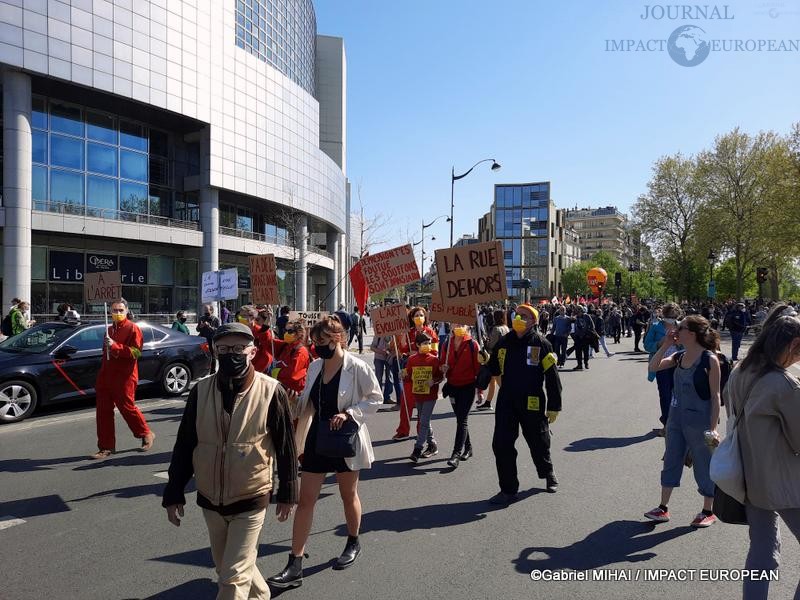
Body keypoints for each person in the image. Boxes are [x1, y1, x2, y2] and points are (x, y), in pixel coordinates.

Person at [162, 322, 298, 600]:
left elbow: (286, 447)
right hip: (211, 500)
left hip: (251, 497)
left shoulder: (272, 391)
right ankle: (261, 596)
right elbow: (186, 444)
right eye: (224, 349)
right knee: (226, 567)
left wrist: (288, 491)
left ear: (252, 351)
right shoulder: (200, 392)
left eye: (238, 348)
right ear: (214, 351)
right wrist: (173, 491)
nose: (231, 354)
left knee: (233, 578)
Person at [268, 315, 382, 588]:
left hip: (344, 438)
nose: (317, 346)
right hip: (317, 437)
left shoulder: (357, 367)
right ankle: (295, 562)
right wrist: (294, 403)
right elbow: (309, 400)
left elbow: (375, 398)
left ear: (338, 338)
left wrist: (350, 413)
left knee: (347, 494)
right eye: (315, 341)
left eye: (323, 341)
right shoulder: (315, 366)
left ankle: (353, 541)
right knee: (305, 500)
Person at [725, 311, 800, 599]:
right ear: (792, 344)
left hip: (751, 477)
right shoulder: (784, 384)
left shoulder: (741, 370)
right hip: (786, 480)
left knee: (762, 550)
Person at [478, 304, 562, 505]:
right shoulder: (504, 342)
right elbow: (494, 368)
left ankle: (547, 472)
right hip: (507, 399)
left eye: (524, 316)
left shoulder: (542, 344)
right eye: (517, 315)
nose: (518, 318)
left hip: (532, 400)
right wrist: (485, 361)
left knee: (538, 441)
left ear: (533, 321)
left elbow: (552, 377)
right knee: (501, 444)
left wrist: (554, 405)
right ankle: (508, 489)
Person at [645, 315, 721, 528]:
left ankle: (708, 510)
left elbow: (715, 397)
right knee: (671, 459)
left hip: (701, 422)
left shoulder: (709, 360)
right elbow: (653, 367)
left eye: (681, 327)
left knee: (704, 465)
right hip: (676, 419)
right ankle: (663, 508)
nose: (676, 329)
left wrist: (713, 429)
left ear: (693, 333)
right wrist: (667, 344)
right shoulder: (679, 356)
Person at [91, 298, 154, 459]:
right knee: (103, 412)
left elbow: (137, 353)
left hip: (125, 376)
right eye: (114, 310)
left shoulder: (133, 328)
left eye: (120, 310)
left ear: (126, 311)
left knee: (127, 407)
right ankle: (106, 447)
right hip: (106, 376)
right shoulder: (109, 329)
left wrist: (115, 346)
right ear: (110, 312)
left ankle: (145, 432)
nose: (117, 313)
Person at [393, 306, 438, 441]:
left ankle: (421, 432)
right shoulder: (408, 333)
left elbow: (435, 353)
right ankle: (403, 431)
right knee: (406, 403)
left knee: (422, 407)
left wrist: (419, 353)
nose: (419, 317)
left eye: (421, 315)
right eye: (416, 315)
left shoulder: (431, 333)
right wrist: (402, 344)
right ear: (412, 318)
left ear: (425, 317)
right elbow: (403, 352)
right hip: (410, 373)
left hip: (425, 374)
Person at [440, 323, 480, 468]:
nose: (458, 326)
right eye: (455, 324)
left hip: (468, 387)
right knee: (460, 419)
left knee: (462, 419)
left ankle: (456, 454)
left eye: (462, 324)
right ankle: (468, 448)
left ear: (467, 326)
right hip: (453, 387)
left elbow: (478, 369)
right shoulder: (446, 344)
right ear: (450, 326)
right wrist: (443, 367)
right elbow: (442, 363)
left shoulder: (473, 345)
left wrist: (479, 392)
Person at [643, 302, 682, 436]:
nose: (671, 318)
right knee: (665, 395)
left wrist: (679, 343)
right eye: (669, 315)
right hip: (661, 365)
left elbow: (689, 345)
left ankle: (676, 422)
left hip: (679, 364)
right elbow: (647, 345)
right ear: (664, 315)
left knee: (678, 395)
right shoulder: (655, 327)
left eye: (674, 316)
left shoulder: (682, 327)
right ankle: (667, 424)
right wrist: (661, 342)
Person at [403, 331, 443, 462]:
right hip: (418, 394)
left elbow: (440, 376)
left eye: (429, 343)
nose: (428, 345)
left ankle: (417, 449)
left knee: (423, 421)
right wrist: (402, 375)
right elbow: (408, 376)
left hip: (430, 395)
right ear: (418, 345)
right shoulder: (411, 359)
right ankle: (432, 444)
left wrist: (434, 381)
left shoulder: (434, 359)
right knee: (424, 420)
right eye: (425, 343)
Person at [270, 320, 311, 396]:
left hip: (294, 394)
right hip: (283, 390)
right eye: (285, 330)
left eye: (290, 331)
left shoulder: (301, 351)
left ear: (299, 333)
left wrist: (277, 372)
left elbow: (292, 374)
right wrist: (266, 324)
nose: (286, 333)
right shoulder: (286, 346)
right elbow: (268, 342)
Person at [479, 310, 510, 410]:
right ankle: (488, 402)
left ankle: (510, 402)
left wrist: (485, 342)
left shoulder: (496, 329)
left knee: (499, 382)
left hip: (494, 358)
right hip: (503, 356)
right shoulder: (506, 328)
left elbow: (491, 345)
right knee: (493, 381)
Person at [571, 305, 596, 371]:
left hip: (585, 336)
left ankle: (586, 363)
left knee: (586, 351)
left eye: (578, 310)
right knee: (578, 352)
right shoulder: (575, 317)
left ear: (581, 310)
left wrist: (589, 333)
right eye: (577, 310)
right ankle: (579, 365)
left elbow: (592, 325)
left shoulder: (587, 316)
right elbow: (572, 326)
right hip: (578, 337)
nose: (577, 311)